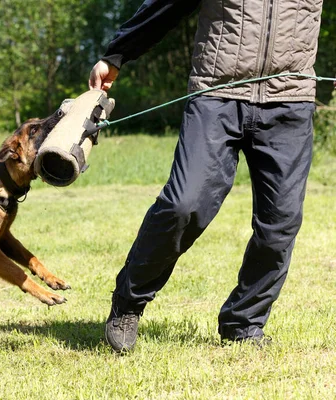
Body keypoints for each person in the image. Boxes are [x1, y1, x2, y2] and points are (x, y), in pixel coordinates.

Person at [89, 0, 325, 352]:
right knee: (185, 203)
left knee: (281, 223)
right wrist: (118, 53)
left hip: (289, 101)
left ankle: (243, 324)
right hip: (216, 96)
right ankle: (129, 300)